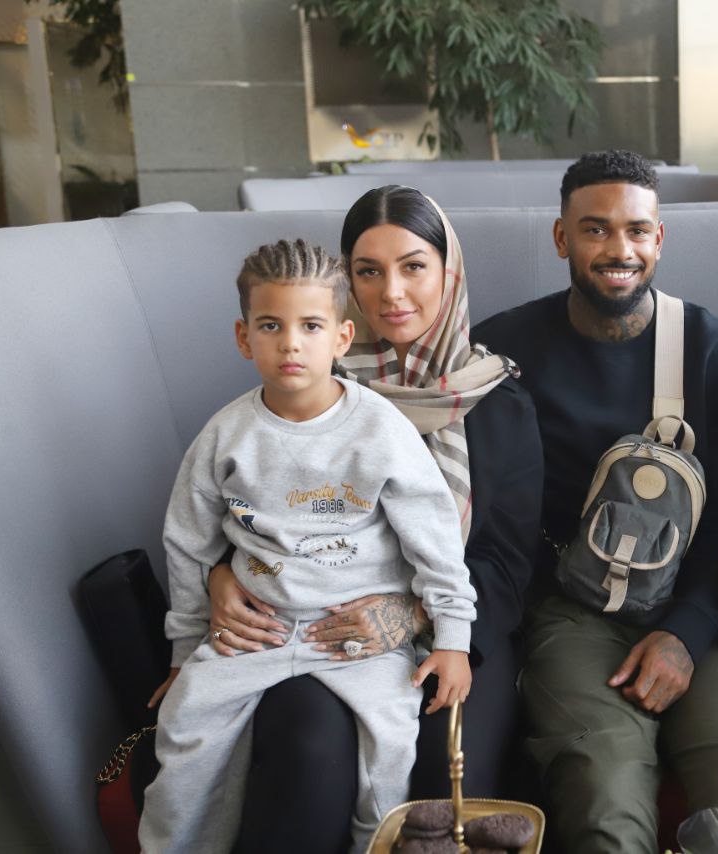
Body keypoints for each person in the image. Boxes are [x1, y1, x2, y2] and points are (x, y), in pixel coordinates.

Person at [198, 188, 544, 852]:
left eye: (413, 267)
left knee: (443, 778)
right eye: (368, 271)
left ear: (448, 272)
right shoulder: (306, 382)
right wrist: (221, 576)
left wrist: (412, 614)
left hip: (456, 627)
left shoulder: (500, 404)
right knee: (312, 750)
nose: (392, 291)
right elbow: (241, 509)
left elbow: (508, 563)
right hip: (314, 624)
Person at [473, 149, 718, 852]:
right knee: (604, 789)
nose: (620, 249)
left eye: (637, 230)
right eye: (596, 229)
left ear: (659, 238)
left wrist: (687, 634)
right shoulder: (502, 353)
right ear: (562, 239)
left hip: (703, 610)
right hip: (571, 614)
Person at [139, 238, 478, 854]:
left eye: (311, 326)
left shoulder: (380, 429)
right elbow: (187, 543)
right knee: (183, 741)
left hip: (358, 643)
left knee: (388, 760)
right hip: (252, 635)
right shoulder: (225, 436)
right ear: (244, 338)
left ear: (343, 337)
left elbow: (434, 540)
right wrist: (184, 653)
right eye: (271, 326)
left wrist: (453, 638)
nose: (290, 343)